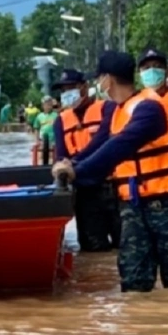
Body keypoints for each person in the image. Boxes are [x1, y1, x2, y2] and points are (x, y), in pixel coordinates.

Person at [52, 51, 168, 292]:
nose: (99, 84)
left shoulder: (149, 109)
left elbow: (119, 147)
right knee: (133, 284)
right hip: (134, 208)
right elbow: (99, 145)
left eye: (100, 79)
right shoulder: (116, 111)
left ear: (108, 79)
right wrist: (70, 165)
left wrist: (78, 172)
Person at [51, 68, 121, 252]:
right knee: (93, 250)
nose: (67, 94)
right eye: (64, 90)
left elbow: (104, 140)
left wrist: (75, 163)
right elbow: (61, 154)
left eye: (71, 88)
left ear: (84, 87)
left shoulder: (108, 108)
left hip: (114, 188)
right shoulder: (60, 121)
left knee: (127, 246)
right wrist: (65, 166)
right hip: (85, 192)